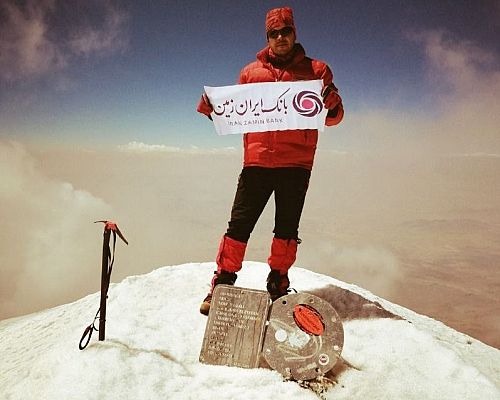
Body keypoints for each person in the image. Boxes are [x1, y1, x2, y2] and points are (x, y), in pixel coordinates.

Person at [197, 7, 344, 315]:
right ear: (268, 37)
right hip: (257, 162)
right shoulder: (250, 73)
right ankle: (223, 281)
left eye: (285, 32)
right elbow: (236, 112)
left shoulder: (317, 70)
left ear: (294, 33)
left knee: (287, 229)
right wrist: (214, 109)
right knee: (238, 225)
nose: (280, 38)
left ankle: (278, 281)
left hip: (296, 164)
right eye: (274, 34)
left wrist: (333, 105)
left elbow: (333, 118)